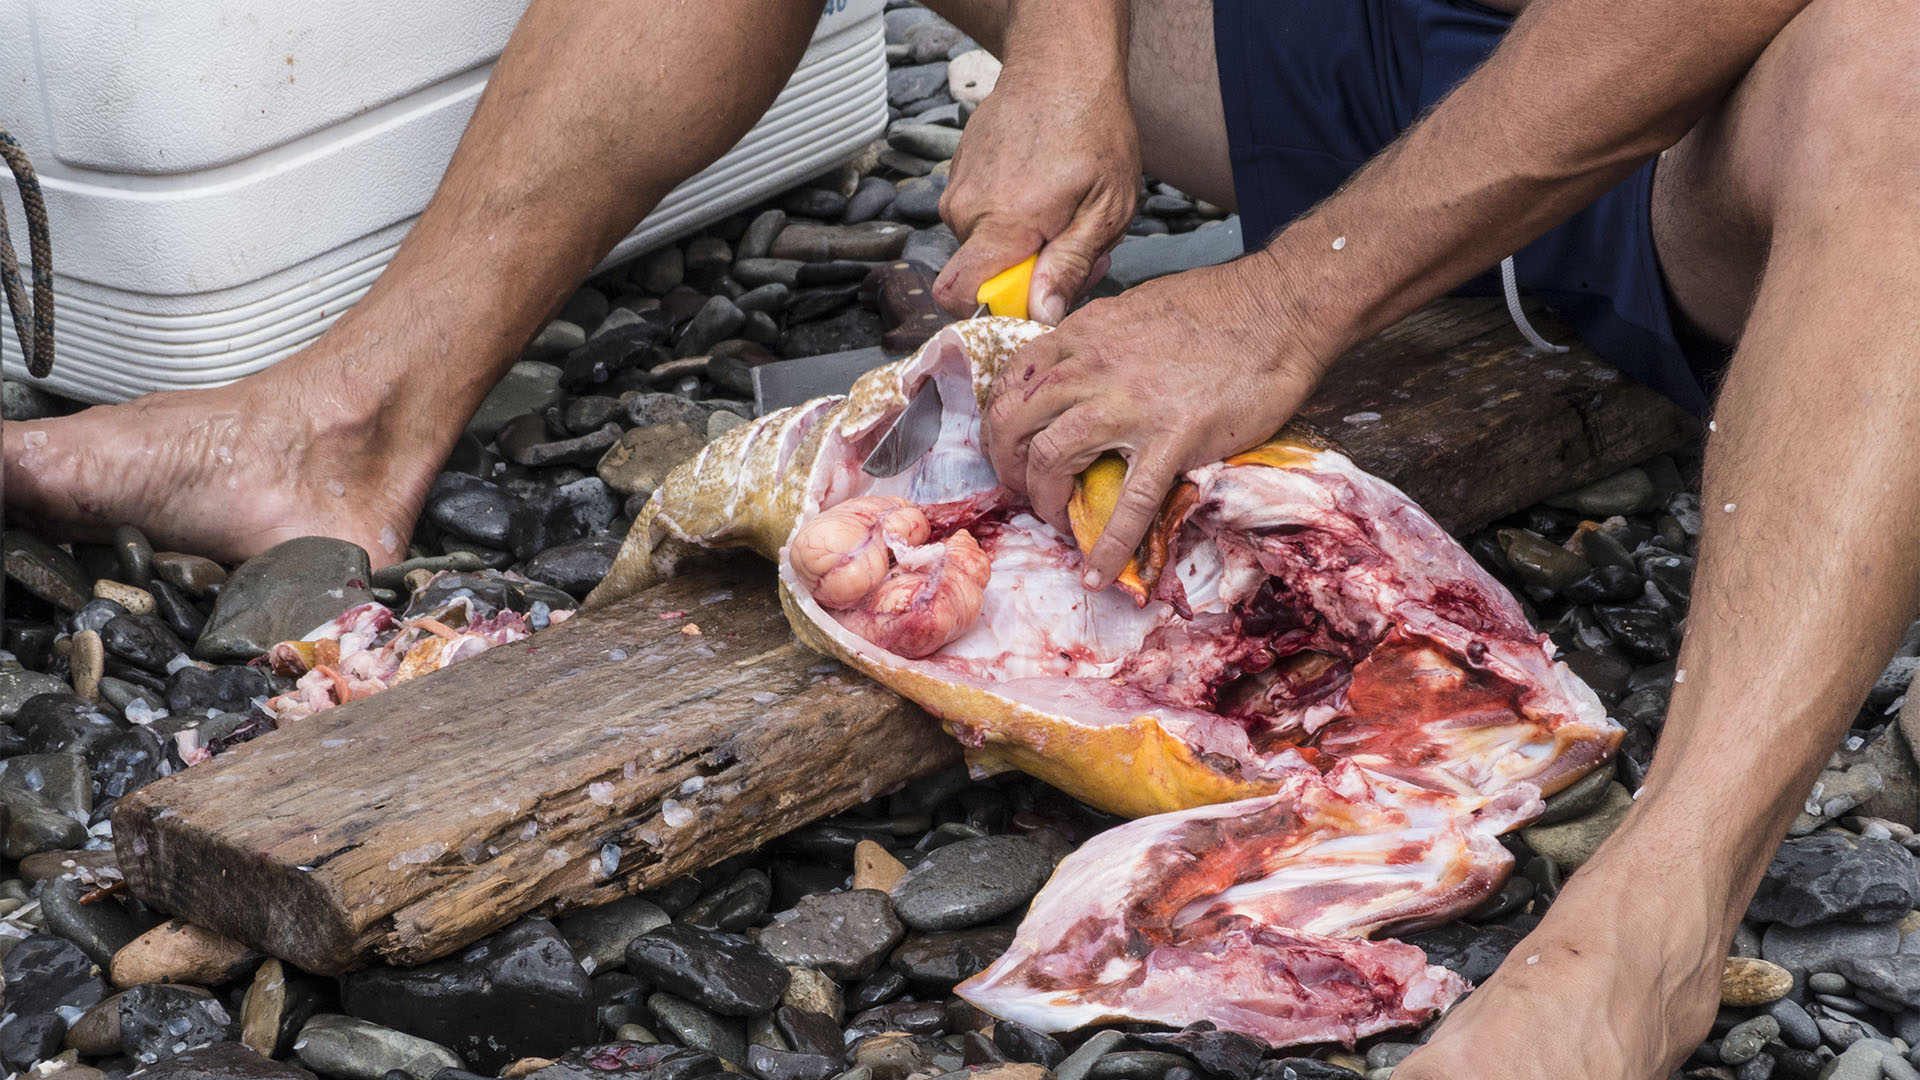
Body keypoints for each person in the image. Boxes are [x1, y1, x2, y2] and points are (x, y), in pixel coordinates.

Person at [7, 0, 1917, 1074]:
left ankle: (1655, 913)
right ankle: (352, 424)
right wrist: (1072, 47)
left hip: (1703, 112)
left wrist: (1288, 298)